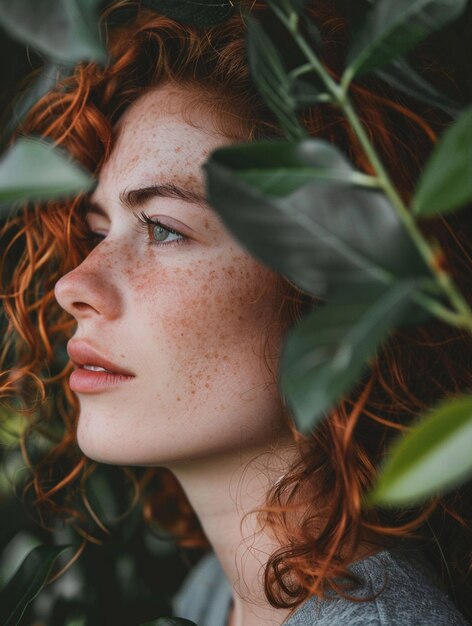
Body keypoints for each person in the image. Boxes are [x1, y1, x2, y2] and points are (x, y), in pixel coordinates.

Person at [1, 1, 471, 625]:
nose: (74, 285)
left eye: (164, 229)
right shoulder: (215, 597)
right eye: (96, 231)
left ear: (329, 285)